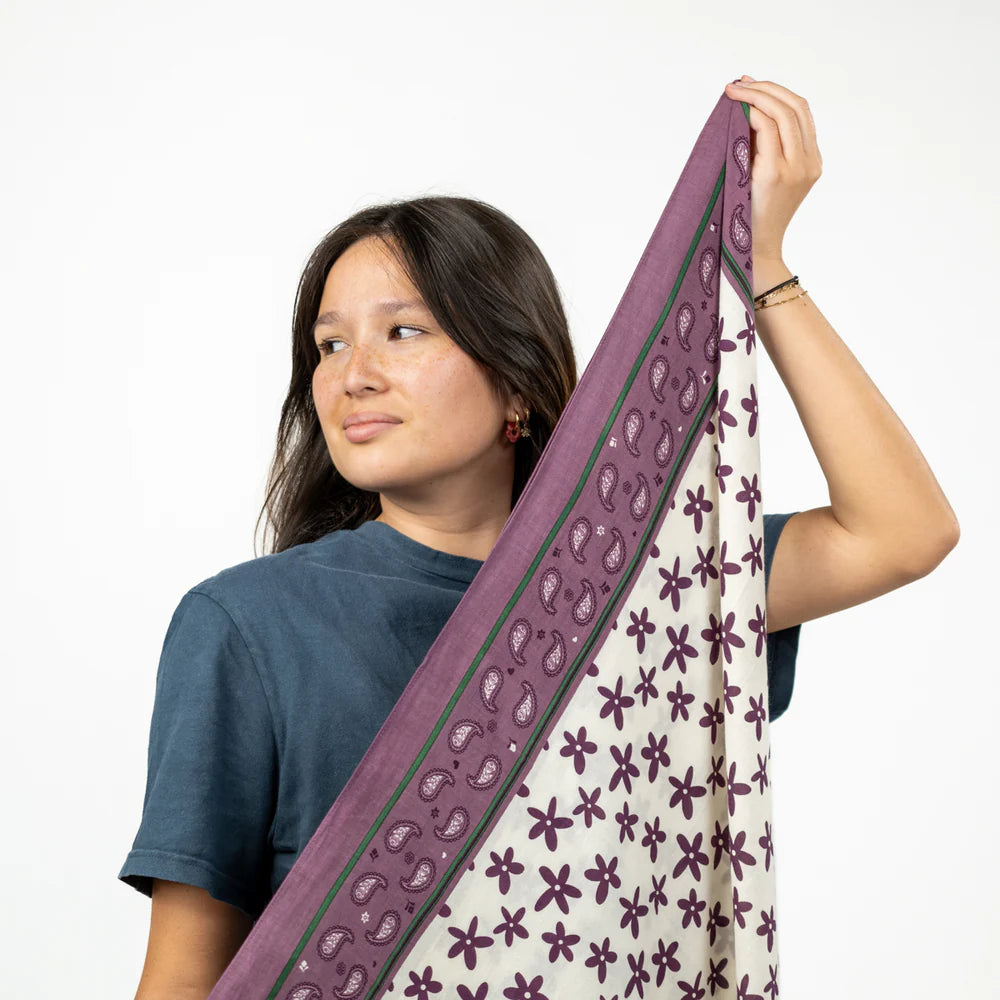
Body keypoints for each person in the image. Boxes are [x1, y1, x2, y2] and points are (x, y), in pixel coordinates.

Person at [121, 77, 959, 1000]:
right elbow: (183, 975)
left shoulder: (642, 580)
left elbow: (902, 531)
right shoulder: (248, 624)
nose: (354, 375)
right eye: (329, 345)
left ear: (515, 382)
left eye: (403, 331)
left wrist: (761, 267)